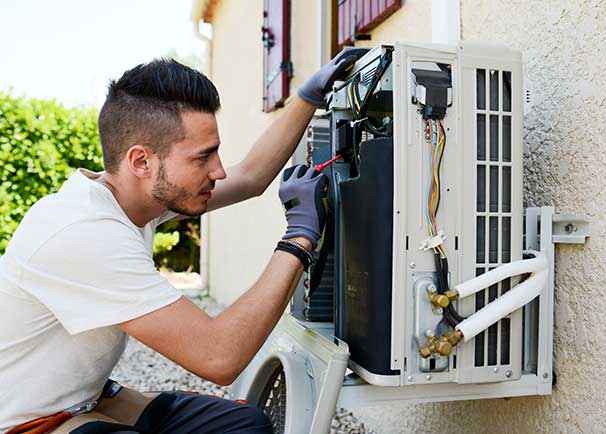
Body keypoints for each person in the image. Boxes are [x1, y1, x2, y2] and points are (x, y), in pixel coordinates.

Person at [0, 48, 368, 434]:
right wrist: (298, 238)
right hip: (27, 422)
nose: (219, 170)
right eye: (202, 158)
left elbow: (250, 177)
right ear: (141, 161)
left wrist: (307, 97)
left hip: (83, 399)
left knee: (244, 426)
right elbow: (220, 357)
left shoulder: (131, 199)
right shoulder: (85, 232)